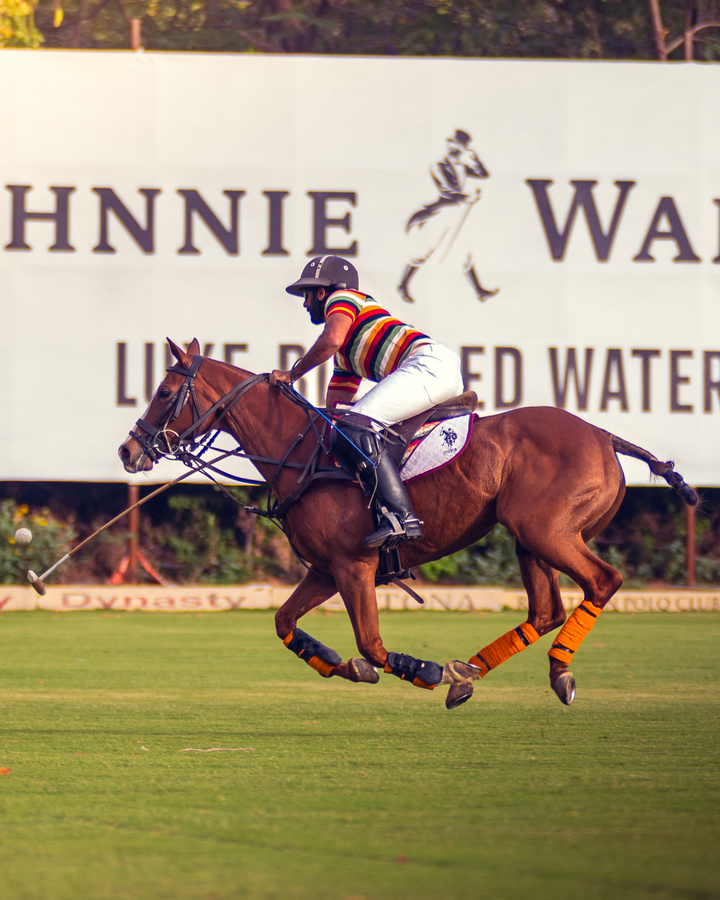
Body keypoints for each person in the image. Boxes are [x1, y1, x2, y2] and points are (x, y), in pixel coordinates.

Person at [269, 255, 464, 549]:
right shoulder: (346, 359)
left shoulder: (344, 297)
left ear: (322, 292)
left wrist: (292, 374)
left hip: (428, 367)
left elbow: (331, 338)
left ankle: (400, 517)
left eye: (307, 295)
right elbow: (333, 414)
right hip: (433, 371)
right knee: (347, 430)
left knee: (354, 428)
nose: (305, 303)